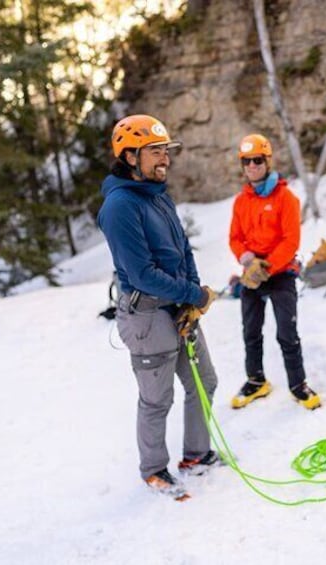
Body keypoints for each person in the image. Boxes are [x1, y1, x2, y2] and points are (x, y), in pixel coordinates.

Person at [97, 114, 221, 498]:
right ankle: (153, 470)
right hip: (147, 315)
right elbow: (143, 273)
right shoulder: (120, 206)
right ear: (130, 156)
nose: (164, 158)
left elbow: (183, 249)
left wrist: (192, 298)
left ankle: (197, 455)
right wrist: (191, 294)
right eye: (155, 151)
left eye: (165, 150)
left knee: (205, 382)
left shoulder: (158, 194)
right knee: (157, 398)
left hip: (178, 308)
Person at [228, 133, 321, 410]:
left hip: (280, 273)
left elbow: (290, 240)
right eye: (247, 161)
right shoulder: (241, 201)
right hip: (251, 273)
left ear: (267, 161)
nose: (252, 165)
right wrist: (247, 260)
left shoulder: (286, 198)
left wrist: (265, 267)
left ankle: (298, 384)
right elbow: (235, 237)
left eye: (258, 160)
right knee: (251, 331)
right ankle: (257, 381)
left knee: (287, 332)